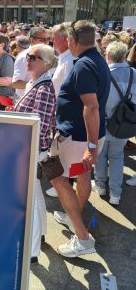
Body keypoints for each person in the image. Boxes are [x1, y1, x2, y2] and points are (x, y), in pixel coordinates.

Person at [51, 20, 110, 258]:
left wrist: (91, 146)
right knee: (82, 175)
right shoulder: (97, 59)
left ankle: (83, 238)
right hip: (84, 137)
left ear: (73, 41)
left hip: (77, 138)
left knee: (57, 178)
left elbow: (91, 108)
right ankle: (73, 215)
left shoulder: (84, 64)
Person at [8, 44, 57, 264]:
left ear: (45, 63)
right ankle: (41, 236)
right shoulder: (34, 83)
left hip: (32, 149)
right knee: (36, 195)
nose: (27, 60)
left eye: (33, 57)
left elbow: (42, 125)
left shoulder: (44, 88)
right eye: (27, 56)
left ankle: (32, 250)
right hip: (29, 147)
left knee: (28, 200)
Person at [94, 42, 136, 202]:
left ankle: (100, 187)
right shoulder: (134, 73)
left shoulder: (103, 74)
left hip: (104, 123)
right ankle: (116, 194)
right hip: (124, 124)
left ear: (108, 56)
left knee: (101, 156)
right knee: (118, 157)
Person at [46, 22, 75, 198]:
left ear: (64, 39)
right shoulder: (64, 58)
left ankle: (64, 188)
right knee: (60, 152)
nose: (51, 41)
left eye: (53, 37)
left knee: (64, 154)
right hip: (59, 113)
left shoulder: (69, 60)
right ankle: (62, 186)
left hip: (64, 115)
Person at [12, 27, 50, 100]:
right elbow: (15, 83)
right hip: (25, 101)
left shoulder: (48, 55)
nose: (46, 42)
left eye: (48, 39)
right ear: (32, 40)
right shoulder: (23, 57)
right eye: (42, 40)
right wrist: (38, 86)